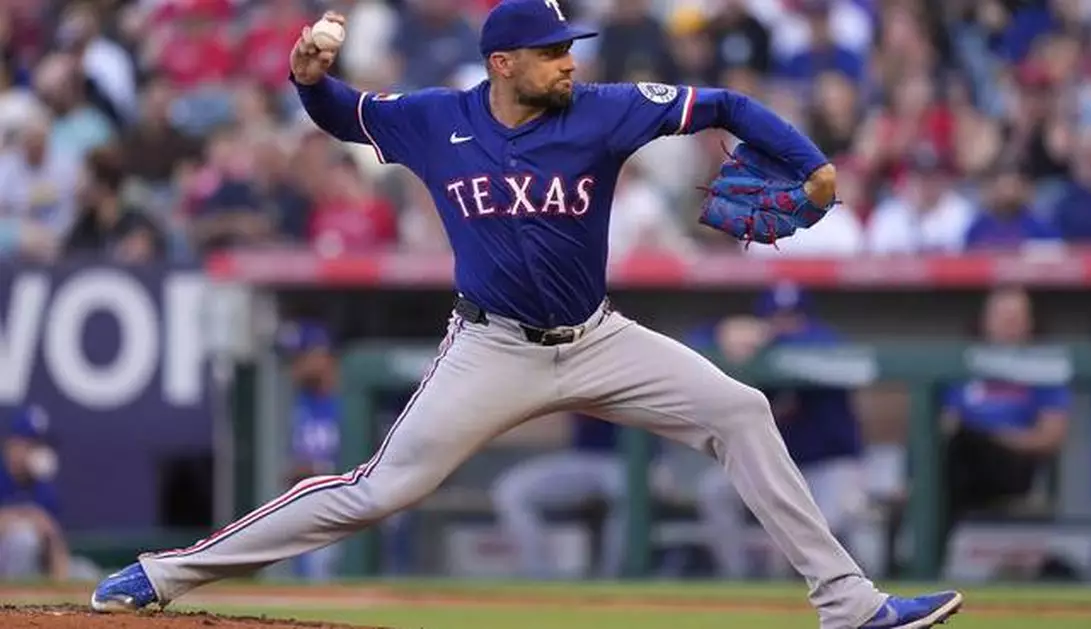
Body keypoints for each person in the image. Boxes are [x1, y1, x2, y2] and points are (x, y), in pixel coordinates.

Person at [91, 4, 961, 627]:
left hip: (599, 337)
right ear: (502, 63)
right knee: (379, 488)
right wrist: (306, 78)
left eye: (568, 47)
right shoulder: (438, 120)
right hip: (491, 346)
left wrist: (810, 166)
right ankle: (163, 573)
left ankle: (849, 607)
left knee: (740, 408)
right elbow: (344, 115)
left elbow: (724, 107)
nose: (569, 62)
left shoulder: (604, 110)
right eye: (551, 52)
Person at [693, 285, 868, 579]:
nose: (786, 322)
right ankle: (738, 579)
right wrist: (724, 330)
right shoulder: (755, 345)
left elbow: (828, 345)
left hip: (829, 465)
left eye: (794, 317)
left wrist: (772, 336)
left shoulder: (823, 343)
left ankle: (857, 584)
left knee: (822, 528)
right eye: (776, 317)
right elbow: (692, 343)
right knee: (714, 490)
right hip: (771, 464)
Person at [939, 288, 1070, 546]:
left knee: (965, 446)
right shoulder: (965, 366)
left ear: (1030, 323)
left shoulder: (1044, 369)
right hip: (963, 463)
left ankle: (933, 556)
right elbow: (945, 423)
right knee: (950, 457)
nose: (1008, 326)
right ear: (986, 321)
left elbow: (1052, 436)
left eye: (1015, 318)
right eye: (1001, 317)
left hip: (1014, 464)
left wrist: (996, 438)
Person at [491, 414, 629, 579]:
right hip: (582, 456)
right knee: (511, 490)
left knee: (627, 495)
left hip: (633, 462)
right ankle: (539, 576)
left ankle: (615, 578)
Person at [276, 320, 343, 582]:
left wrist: (315, 469)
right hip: (311, 515)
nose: (293, 367)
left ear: (321, 355)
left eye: (299, 357)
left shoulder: (352, 398)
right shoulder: (303, 399)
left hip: (348, 517)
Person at [0, 406, 70, 581]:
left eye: (38, 446)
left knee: (85, 571)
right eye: (30, 445)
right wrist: (27, 516)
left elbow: (53, 536)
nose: (36, 452)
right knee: (24, 540)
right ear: (12, 444)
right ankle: (11, 603)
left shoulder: (43, 484)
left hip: (38, 564)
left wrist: (61, 578)